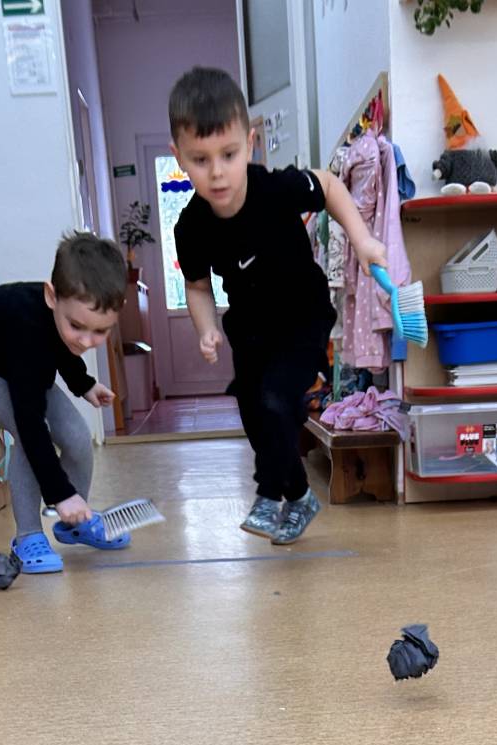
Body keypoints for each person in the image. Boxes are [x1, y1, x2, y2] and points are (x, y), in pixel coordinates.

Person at [170, 67, 390, 545]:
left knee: (275, 401)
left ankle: (270, 494)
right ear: (179, 157)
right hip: (249, 331)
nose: (217, 172)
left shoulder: (274, 188)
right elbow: (198, 285)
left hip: (302, 318)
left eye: (228, 155)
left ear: (249, 144)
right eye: (200, 160)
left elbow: (329, 186)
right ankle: (299, 496)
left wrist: (363, 240)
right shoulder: (191, 227)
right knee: (257, 417)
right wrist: (205, 327)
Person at [0, 232, 125, 574]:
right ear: (52, 297)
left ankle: (75, 523)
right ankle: (27, 536)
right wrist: (59, 492)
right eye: (78, 326)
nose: (87, 341)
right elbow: (30, 422)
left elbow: (63, 347)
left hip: (17, 366)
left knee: (76, 435)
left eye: (100, 331)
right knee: (28, 435)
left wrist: (83, 384)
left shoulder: (57, 324)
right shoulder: (27, 329)